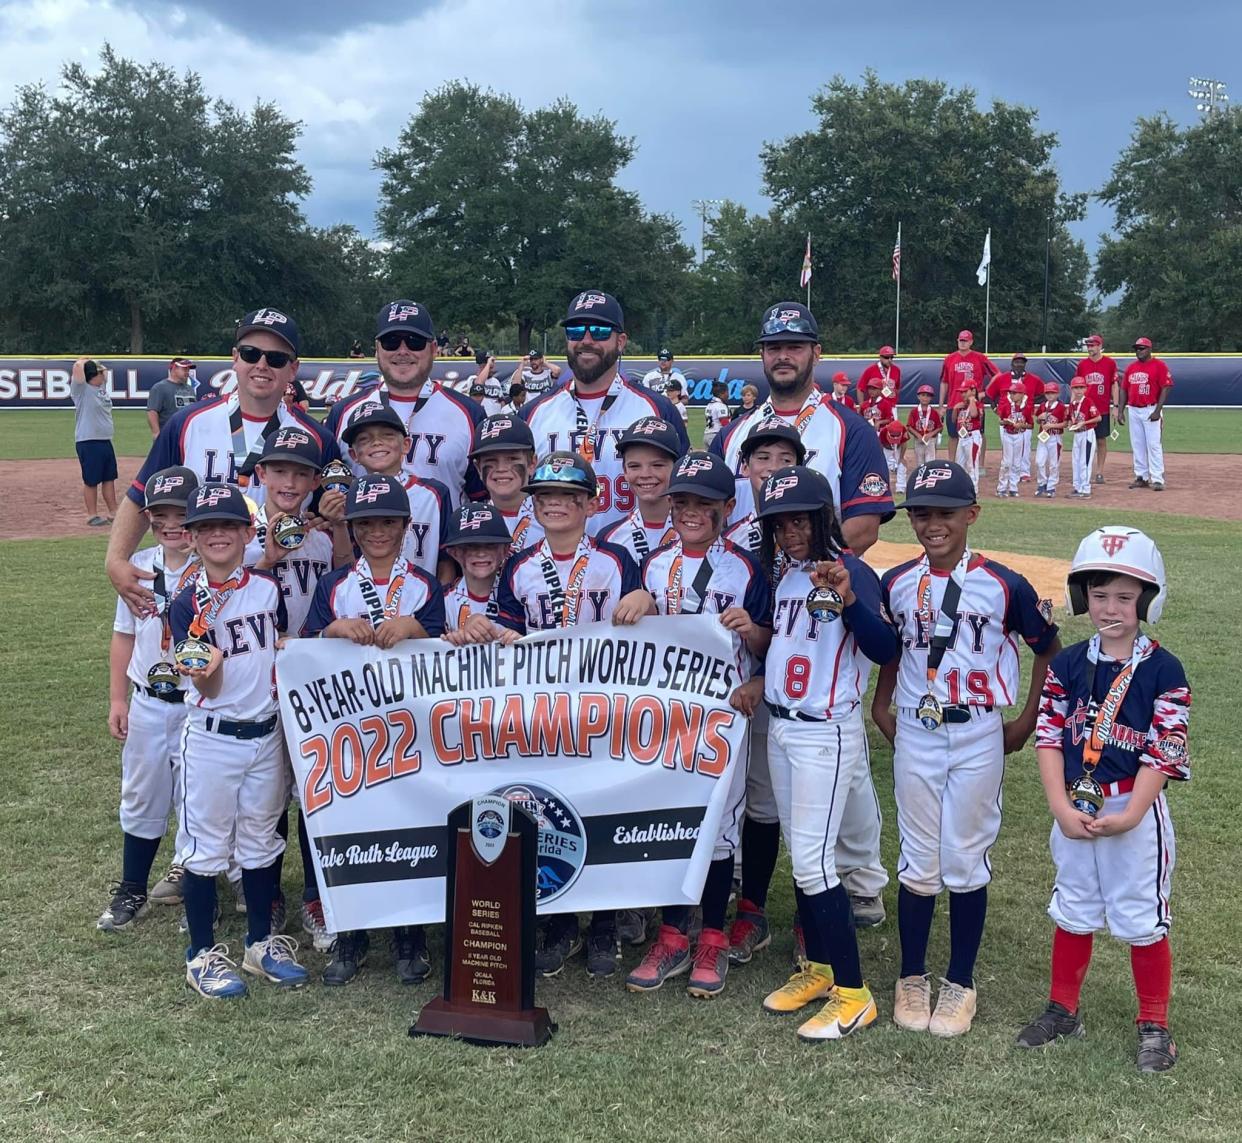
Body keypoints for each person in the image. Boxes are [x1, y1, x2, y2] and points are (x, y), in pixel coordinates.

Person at [712, 302, 894, 935]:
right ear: (761, 353)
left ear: (816, 351)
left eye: (794, 345)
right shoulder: (737, 432)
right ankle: (741, 877)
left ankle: (861, 877)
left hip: (824, 599)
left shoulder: (847, 426)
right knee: (760, 746)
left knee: (837, 747)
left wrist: (813, 570)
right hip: (749, 600)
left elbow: (865, 523)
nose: (782, 355)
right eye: (772, 345)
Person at [872, 460, 1060, 1037]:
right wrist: (882, 706)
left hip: (978, 728)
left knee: (965, 854)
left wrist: (1027, 718)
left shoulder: (1006, 582)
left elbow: (1047, 648)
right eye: (922, 514)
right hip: (917, 729)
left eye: (945, 514)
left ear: (971, 515)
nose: (933, 525)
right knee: (918, 854)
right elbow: (893, 650)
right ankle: (911, 975)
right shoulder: (897, 581)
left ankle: (960, 980)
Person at [450, 451, 654, 978]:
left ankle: (605, 926)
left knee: (604, 807)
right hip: (539, 712)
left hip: (601, 708)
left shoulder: (614, 559)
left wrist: (645, 600)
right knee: (552, 812)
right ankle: (560, 925)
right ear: (533, 505)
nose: (556, 505)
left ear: (590, 504)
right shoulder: (519, 565)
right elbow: (509, 633)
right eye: (546, 497)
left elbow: (637, 624)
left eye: (568, 497)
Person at [729, 466, 899, 1040]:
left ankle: (854, 995)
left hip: (824, 732)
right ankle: (822, 970)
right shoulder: (791, 578)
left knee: (812, 862)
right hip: (782, 727)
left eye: (799, 519)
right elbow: (786, 646)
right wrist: (760, 681)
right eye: (780, 523)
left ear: (823, 516)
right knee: (805, 859)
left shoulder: (850, 571)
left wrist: (850, 599)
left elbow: (884, 646)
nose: (790, 531)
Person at [1019, 527, 1189, 1073]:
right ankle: (1063, 1009)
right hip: (1075, 806)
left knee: (1141, 917)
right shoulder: (1069, 663)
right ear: (1080, 597)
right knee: (1073, 909)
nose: (1109, 607)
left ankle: (1155, 1024)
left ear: (1147, 598)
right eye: (1098, 595)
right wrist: (1060, 808)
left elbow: (1164, 750)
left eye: (1124, 595)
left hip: (1131, 811)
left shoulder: (1164, 669)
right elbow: (1048, 737)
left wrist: (1133, 814)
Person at [617, 451, 771, 999]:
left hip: (728, 713)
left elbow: (767, 643)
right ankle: (672, 932)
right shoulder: (655, 564)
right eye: (682, 502)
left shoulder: (748, 567)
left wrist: (752, 630)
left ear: (728, 507)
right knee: (674, 821)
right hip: (669, 714)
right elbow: (634, 637)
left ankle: (711, 935)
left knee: (720, 825)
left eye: (703, 504)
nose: (690, 512)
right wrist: (634, 600)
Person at [301, 475, 447, 986]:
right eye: (367, 523)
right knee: (348, 829)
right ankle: (351, 935)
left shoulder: (425, 586)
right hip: (349, 732)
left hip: (409, 734)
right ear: (354, 529)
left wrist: (415, 628)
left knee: (409, 829)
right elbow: (304, 652)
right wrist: (331, 630)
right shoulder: (334, 585)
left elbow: (445, 657)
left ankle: (411, 937)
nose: (378, 532)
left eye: (389, 522)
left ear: (407, 527)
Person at [107, 308, 340, 616]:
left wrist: (327, 517)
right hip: (197, 589)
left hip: (277, 588)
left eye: (276, 358)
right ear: (235, 357)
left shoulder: (317, 438)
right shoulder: (186, 423)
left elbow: (331, 515)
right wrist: (116, 560)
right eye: (250, 353)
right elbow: (141, 495)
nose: (261, 365)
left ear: (293, 369)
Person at [171, 482, 309, 998]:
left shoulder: (267, 588)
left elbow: (275, 645)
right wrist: (207, 669)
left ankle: (259, 943)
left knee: (259, 838)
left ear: (247, 532)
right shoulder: (187, 603)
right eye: (206, 528)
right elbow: (203, 680)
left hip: (265, 731)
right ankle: (201, 954)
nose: (218, 535)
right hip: (213, 737)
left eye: (228, 525)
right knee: (205, 847)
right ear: (191, 538)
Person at [244, 427, 347, 952]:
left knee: (314, 789)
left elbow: (345, 582)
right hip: (253, 674)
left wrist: (337, 523)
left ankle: (314, 895)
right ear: (261, 473)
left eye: (300, 472)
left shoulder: (321, 532)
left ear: (313, 479)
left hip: (308, 672)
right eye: (279, 470)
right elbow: (217, 602)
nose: (289, 481)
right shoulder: (236, 526)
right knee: (266, 790)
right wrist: (264, 558)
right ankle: (267, 893)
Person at [97, 466, 201, 932]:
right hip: (149, 699)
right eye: (160, 515)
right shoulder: (138, 564)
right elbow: (124, 635)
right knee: (141, 794)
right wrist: (118, 698)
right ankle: (132, 887)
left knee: (197, 796)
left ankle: (196, 884)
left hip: (199, 702)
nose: (171, 524)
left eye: (181, 514)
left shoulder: (216, 565)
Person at [520, 290, 689, 536]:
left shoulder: (657, 410)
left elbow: (683, 490)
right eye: (576, 331)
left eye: (599, 331)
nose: (586, 340)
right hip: (554, 563)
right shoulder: (533, 413)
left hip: (639, 561)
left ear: (620, 342)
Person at [325, 300, 483, 508]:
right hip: (365, 539)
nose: (402, 351)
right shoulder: (342, 413)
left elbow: (482, 498)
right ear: (377, 349)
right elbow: (325, 493)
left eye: (414, 341)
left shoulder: (470, 414)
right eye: (391, 341)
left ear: (434, 348)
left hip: (442, 540)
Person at [340, 403, 452, 580]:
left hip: (424, 601)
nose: (377, 442)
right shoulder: (347, 499)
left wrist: (439, 600)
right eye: (364, 439)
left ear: (406, 445)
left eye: (387, 435)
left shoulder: (435, 493)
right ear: (354, 455)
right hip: (364, 602)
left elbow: (446, 559)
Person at [597, 417, 680, 565]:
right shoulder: (610, 538)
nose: (645, 474)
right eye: (635, 466)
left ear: (676, 467)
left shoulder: (695, 530)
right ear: (625, 471)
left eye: (657, 465)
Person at [468, 414, 543, 552]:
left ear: (532, 463)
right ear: (478, 468)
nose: (501, 468)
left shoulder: (553, 518)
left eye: (512, 459)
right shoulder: (469, 523)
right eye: (491, 460)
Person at [440, 502, 512, 634]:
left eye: (490, 545)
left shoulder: (518, 595)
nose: (481, 553)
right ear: (454, 553)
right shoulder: (441, 601)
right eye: (471, 546)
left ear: (505, 550)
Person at [1119, 338, 1173, 493]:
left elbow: (1166, 387)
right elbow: (1124, 389)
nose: (1139, 351)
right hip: (1134, 409)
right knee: (1137, 445)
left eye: (1142, 348)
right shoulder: (1131, 368)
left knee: (1153, 445)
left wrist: (1157, 410)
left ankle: (1157, 478)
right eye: (1137, 348)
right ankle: (1141, 477)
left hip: (1150, 409)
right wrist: (1121, 410)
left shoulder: (1159, 365)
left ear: (1149, 349)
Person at [938, 330, 996, 469]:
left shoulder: (980, 358)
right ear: (957, 341)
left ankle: (979, 464)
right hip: (954, 402)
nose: (963, 343)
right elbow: (944, 382)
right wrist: (941, 405)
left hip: (974, 404)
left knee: (978, 433)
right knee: (953, 434)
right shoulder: (950, 359)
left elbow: (996, 375)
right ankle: (953, 465)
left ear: (971, 342)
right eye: (960, 340)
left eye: (965, 341)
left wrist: (984, 393)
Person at [71, 356, 118, 527]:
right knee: (91, 480)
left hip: (105, 440)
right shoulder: (82, 390)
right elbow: (77, 366)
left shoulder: (101, 389)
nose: (103, 375)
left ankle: (114, 512)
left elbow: (104, 370)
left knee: (109, 478)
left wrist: (97, 363)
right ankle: (92, 515)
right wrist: (85, 360)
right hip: (88, 441)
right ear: (92, 375)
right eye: (99, 373)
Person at [986, 353, 1042, 485]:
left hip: (1024, 418)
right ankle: (1008, 472)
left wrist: (1031, 402)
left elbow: (1043, 394)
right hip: (1007, 419)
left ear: (1025, 364)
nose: (1019, 364)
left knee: (1025, 446)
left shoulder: (1033, 379)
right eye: (1017, 362)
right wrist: (996, 409)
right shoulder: (1002, 378)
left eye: (1022, 362)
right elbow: (990, 394)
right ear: (1012, 364)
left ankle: (1024, 472)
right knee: (1007, 447)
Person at [1073, 335, 1120, 485]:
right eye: (1088, 345)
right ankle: (1083, 469)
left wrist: (1116, 407)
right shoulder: (1082, 364)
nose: (1090, 348)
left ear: (1100, 346)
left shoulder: (1109, 363)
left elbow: (1114, 385)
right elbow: (1075, 386)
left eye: (1093, 345)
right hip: (1084, 409)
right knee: (1083, 440)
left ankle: (1099, 471)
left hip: (1102, 408)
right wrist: (1073, 406)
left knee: (1101, 440)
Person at [995, 374, 1034, 498]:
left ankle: (1013, 487)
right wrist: (1007, 422)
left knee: (1017, 463)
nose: (1012, 395)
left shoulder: (1027, 408)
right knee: (1006, 462)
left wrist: (1022, 425)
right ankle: (1001, 488)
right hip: (1008, 434)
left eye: (1015, 393)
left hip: (1019, 435)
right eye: (1011, 393)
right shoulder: (1007, 406)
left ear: (1022, 394)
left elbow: (1031, 425)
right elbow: (1001, 421)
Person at [1066, 377, 1103, 499]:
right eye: (1076, 388)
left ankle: (1085, 489)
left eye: (1081, 387)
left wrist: (1084, 422)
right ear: (1072, 389)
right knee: (1075, 461)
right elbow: (1071, 419)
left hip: (1087, 433)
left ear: (1085, 389)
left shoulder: (1088, 401)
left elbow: (1098, 418)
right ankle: (1077, 487)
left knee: (1084, 462)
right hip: (1077, 434)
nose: (1078, 390)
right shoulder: (1072, 404)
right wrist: (1072, 424)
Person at [147, 358, 197, 438]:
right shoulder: (160, 387)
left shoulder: (190, 389)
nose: (187, 372)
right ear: (174, 368)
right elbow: (152, 411)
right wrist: (156, 433)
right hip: (168, 435)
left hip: (187, 435)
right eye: (184, 369)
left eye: (188, 370)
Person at [1033, 381, 1067, 498]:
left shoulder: (1061, 407)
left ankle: (1051, 486)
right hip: (1043, 437)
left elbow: (1065, 424)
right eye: (1047, 393)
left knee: (1054, 464)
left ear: (1057, 394)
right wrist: (1040, 418)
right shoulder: (1043, 406)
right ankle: (1042, 483)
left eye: (1052, 393)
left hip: (1055, 437)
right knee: (1039, 461)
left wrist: (1051, 426)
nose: (1050, 395)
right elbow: (1037, 419)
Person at [951, 381, 984, 491]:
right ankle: (961, 488)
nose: (963, 394)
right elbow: (953, 420)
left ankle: (974, 489)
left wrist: (971, 400)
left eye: (965, 391)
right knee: (959, 464)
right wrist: (955, 409)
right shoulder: (961, 405)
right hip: (962, 437)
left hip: (972, 437)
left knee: (972, 464)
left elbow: (974, 414)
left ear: (973, 391)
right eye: (961, 392)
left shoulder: (977, 404)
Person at [906, 385, 942, 467]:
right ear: (918, 396)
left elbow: (939, 427)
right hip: (918, 440)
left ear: (931, 398)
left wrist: (930, 434)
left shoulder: (934, 412)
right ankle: (921, 479)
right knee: (920, 463)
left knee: (930, 462)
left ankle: (929, 478)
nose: (925, 398)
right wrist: (917, 435)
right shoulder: (914, 412)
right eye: (923, 395)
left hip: (931, 440)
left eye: (928, 396)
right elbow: (909, 426)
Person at [878, 415, 911, 497]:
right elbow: (880, 446)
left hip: (898, 448)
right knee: (883, 466)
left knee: (902, 465)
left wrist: (901, 457)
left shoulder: (903, 430)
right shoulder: (883, 432)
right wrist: (881, 458)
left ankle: (901, 487)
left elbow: (904, 444)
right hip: (886, 449)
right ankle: (883, 486)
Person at [703, 380, 731, 448]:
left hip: (707, 435)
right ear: (722, 393)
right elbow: (725, 423)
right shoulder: (720, 406)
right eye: (727, 392)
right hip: (715, 436)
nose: (728, 395)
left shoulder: (709, 405)